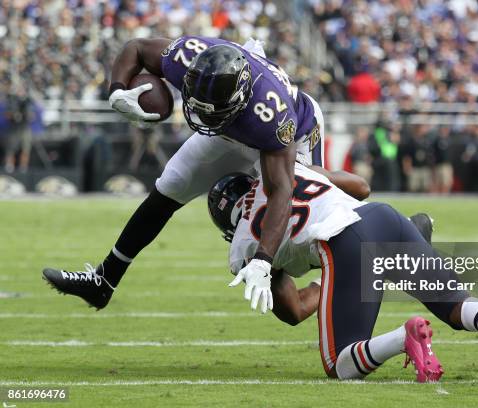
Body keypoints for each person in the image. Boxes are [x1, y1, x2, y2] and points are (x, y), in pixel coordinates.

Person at [208, 164, 478, 383]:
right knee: (456, 305)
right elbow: (361, 187)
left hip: (344, 244)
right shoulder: (288, 167)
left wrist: (334, 281)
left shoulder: (244, 245)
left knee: (339, 365)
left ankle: (402, 337)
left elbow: (293, 310)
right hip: (382, 216)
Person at [42, 36, 324, 312]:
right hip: (229, 127)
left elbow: (281, 190)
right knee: (171, 185)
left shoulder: (272, 116)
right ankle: (103, 280)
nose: (200, 116)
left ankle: (349, 259)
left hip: (291, 138)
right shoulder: (188, 58)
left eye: (208, 110)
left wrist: (262, 260)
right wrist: (117, 91)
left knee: (301, 224)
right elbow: (136, 48)